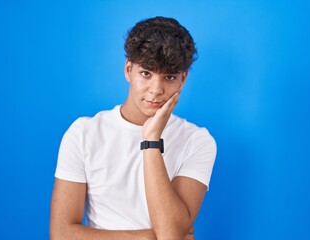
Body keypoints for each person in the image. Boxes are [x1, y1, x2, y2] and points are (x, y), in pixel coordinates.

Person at [50, 16, 217, 240]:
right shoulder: (84, 133)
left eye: (168, 77)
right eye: (146, 73)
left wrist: (151, 141)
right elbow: (60, 234)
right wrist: (146, 238)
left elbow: (170, 236)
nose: (156, 89)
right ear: (128, 70)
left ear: (183, 79)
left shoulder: (198, 141)